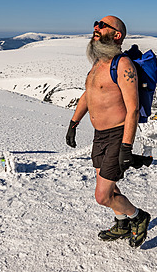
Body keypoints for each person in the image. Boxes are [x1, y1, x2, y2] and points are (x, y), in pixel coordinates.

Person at [65, 15, 151, 248]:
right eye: (96, 24)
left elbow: (132, 109)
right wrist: (74, 123)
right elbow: (89, 94)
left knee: (102, 196)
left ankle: (138, 217)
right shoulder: (98, 62)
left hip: (116, 134)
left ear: (117, 35)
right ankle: (122, 223)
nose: (96, 27)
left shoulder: (122, 65)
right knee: (109, 186)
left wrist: (126, 147)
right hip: (99, 135)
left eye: (102, 25)